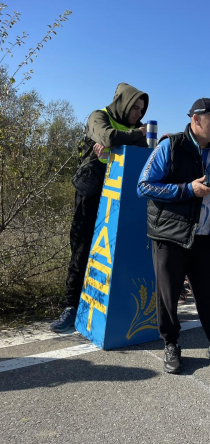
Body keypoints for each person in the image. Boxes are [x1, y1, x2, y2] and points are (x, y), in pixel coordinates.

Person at [137, 98, 210, 374]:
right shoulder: (170, 146)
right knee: (168, 295)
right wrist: (186, 190)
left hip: (204, 235)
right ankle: (171, 344)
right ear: (196, 120)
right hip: (169, 235)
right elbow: (143, 186)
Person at [50, 83, 149, 332]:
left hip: (119, 197)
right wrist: (137, 135)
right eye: (135, 107)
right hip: (90, 193)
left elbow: (144, 152)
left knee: (111, 252)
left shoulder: (132, 129)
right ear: (123, 103)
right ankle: (71, 307)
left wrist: (126, 140)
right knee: (82, 248)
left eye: (142, 109)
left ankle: (104, 306)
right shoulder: (99, 116)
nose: (138, 114)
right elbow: (107, 136)